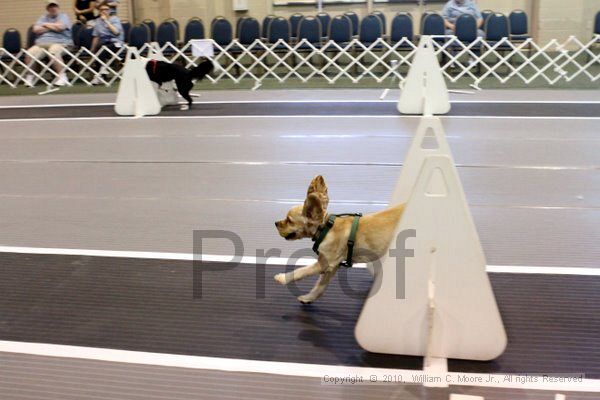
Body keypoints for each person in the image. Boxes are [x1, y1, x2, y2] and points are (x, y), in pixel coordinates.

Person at [24, 0, 73, 87]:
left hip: (61, 43)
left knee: (53, 51)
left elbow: (60, 28)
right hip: (41, 44)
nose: (53, 8)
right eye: (51, 6)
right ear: (47, 8)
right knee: (29, 54)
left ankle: (62, 77)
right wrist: (53, 26)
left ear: (58, 7)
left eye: (55, 6)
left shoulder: (63, 16)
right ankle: (30, 77)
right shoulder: (42, 17)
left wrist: (45, 25)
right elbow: (35, 30)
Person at [90, 0, 124, 84]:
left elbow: (116, 32)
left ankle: (100, 74)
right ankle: (101, 75)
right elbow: (96, 36)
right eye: (102, 10)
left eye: (106, 9)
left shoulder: (115, 19)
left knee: (102, 49)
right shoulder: (98, 21)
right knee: (98, 49)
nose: (104, 11)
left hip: (117, 43)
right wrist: (92, 50)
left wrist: (106, 21)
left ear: (109, 11)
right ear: (99, 11)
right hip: (104, 44)